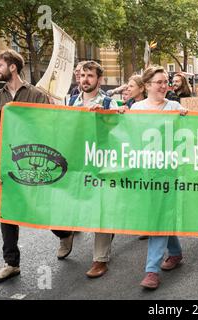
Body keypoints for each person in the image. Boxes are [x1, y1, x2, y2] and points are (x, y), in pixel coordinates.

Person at [0, 49, 74, 283]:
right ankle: (11, 263)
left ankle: (64, 233)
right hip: (6, 167)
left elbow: (48, 129)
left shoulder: (36, 95)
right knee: (7, 214)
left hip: (35, 163)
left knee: (42, 207)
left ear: (12, 67)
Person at [120, 65, 187, 290]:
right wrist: (118, 118)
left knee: (157, 217)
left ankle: (151, 270)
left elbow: (188, 133)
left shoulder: (175, 106)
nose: (163, 85)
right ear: (147, 85)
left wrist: (188, 119)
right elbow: (129, 136)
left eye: (166, 81)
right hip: (145, 171)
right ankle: (175, 253)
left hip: (169, 171)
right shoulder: (137, 108)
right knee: (159, 214)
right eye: (158, 82)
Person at [69, 61, 118, 278]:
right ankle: (65, 236)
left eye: (90, 76)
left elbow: (120, 132)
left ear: (100, 80)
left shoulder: (109, 102)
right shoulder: (69, 101)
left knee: (101, 211)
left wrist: (105, 118)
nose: (85, 79)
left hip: (101, 165)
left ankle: (100, 259)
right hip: (77, 164)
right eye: (82, 75)